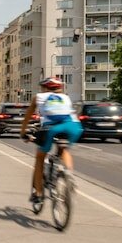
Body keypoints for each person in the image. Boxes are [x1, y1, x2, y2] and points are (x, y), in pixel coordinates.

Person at [20, 76, 83, 208]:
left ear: (45, 87)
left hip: (51, 129)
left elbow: (28, 115)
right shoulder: (66, 98)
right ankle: (69, 175)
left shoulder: (39, 97)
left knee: (39, 159)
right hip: (74, 127)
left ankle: (38, 194)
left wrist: (23, 132)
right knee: (64, 149)